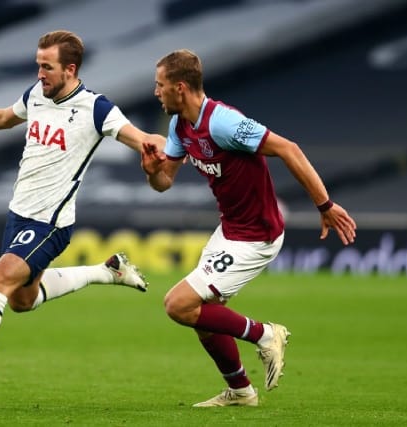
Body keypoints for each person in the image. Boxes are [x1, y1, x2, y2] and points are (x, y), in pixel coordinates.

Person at [0, 30, 164, 393]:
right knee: (20, 301)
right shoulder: (37, 95)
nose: (39, 74)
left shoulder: (97, 109)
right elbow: (2, 117)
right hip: (19, 215)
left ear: (70, 69)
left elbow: (142, 138)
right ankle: (106, 271)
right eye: (38, 65)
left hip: (51, 222)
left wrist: (161, 150)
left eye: (47, 67)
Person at [141, 49, 357, 408]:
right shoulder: (180, 125)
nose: (155, 92)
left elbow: (289, 148)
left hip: (257, 235)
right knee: (205, 316)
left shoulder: (223, 123)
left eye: (159, 85)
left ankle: (266, 334)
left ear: (180, 87)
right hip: (230, 230)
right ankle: (241, 391)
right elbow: (165, 183)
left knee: (178, 304)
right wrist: (152, 172)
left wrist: (325, 205)